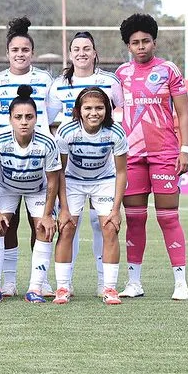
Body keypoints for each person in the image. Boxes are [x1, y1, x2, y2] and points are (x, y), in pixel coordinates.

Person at [112, 13, 188, 300]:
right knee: (134, 219)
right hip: (132, 155)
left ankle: (180, 282)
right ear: (128, 46)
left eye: (146, 41)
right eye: (135, 42)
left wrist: (185, 149)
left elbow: (183, 113)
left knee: (168, 217)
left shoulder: (169, 70)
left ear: (154, 42)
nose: (141, 46)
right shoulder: (121, 75)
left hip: (164, 153)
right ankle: (134, 282)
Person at [0, 16, 58, 297]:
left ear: (32, 53)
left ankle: (40, 281)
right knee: (5, 224)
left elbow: (50, 115)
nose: (20, 54)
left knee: (38, 223)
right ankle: (8, 282)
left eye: (25, 50)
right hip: (5, 163)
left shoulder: (44, 79)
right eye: (15, 50)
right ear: (7, 54)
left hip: (37, 162)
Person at [48, 31, 120, 296]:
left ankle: (106, 284)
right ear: (70, 53)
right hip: (72, 166)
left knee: (104, 225)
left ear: (94, 51)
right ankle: (65, 285)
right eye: (76, 48)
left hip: (103, 164)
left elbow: (120, 112)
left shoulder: (109, 81)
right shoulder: (58, 85)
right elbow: (47, 119)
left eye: (86, 48)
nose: (81, 53)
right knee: (68, 225)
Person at [54, 87, 128, 305]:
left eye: (99, 108)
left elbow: (122, 171)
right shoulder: (67, 132)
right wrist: (64, 208)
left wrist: (116, 210)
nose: (93, 113)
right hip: (73, 181)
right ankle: (63, 287)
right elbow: (59, 170)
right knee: (67, 228)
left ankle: (110, 288)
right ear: (79, 110)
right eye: (88, 108)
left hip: (103, 181)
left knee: (110, 228)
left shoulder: (116, 132)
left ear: (107, 110)